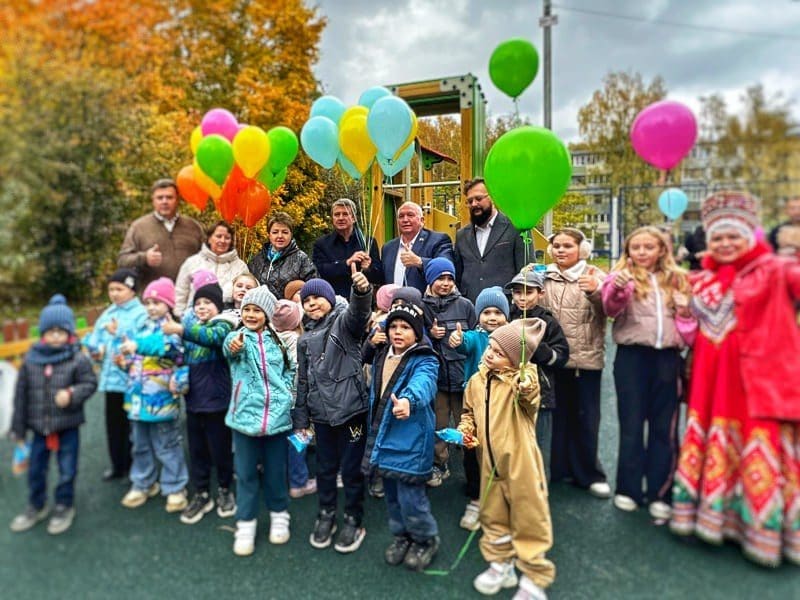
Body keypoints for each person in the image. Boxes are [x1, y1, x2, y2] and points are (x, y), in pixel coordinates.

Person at [670, 191, 800, 567]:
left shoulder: (774, 269)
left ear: (751, 235)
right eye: (718, 238)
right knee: (714, 439)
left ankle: (762, 533)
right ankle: (715, 520)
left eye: (734, 236)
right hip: (711, 387)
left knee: (760, 446)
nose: (726, 244)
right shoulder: (702, 279)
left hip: (757, 385)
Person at [458, 318, 555, 599]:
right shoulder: (476, 381)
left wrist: (525, 385)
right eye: (491, 348)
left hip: (520, 464)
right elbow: (468, 412)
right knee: (493, 514)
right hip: (488, 463)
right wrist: (466, 429)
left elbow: (530, 398)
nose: (490, 354)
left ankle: (534, 580)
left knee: (529, 518)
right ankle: (501, 563)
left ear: (515, 361)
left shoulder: (523, 380)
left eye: (500, 353)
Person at [601, 226, 694, 519]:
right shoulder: (620, 277)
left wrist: (685, 313)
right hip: (632, 358)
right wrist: (619, 288)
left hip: (668, 359)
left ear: (661, 250)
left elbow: (690, 331)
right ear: (628, 251)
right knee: (631, 424)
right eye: (635, 247)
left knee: (663, 429)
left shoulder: (678, 280)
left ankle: (660, 492)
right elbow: (610, 310)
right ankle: (628, 489)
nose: (641, 252)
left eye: (648, 247)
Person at [293, 266, 373, 553]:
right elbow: (302, 380)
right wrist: (301, 417)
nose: (311, 303)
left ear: (329, 299)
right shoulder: (303, 341)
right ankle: (326, 513)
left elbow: (359, 313)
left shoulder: (343, 324)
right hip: (322, 417)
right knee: (325, 469)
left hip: (352, 413)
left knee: (351, 470)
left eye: (317, 297)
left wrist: (361, 290)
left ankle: (354, 518)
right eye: (306, 300)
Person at [362, 301, 441, 571]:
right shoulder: (382, 353)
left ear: (417, 333)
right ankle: (402, 536)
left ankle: (425, 539)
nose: (397, 331)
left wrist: (408, 400)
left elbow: (424, 383)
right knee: (392, 497)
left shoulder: (425, 358)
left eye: (405, 327)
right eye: (393, 326)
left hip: (411, 439)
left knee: (412, 498)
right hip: (384, 437)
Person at [9, 295, 97, 535]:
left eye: (61, 331)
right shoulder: (31, 360)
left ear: (69, 333)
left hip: (66, 425)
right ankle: (36, 505)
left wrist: (72, 393)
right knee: (36, 469)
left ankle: (63, 505)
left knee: (67, 468)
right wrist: (18, 430)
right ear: (43, 333)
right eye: (51, 331)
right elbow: (21, 396)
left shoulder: (77, 358)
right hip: (39, 428)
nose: (56, 336)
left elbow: (90, 383)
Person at [223, 286, 295, 556]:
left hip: (277, 419)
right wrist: (233, 346)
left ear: (267, 314)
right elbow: (230, 350)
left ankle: (279, 514)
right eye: (247, 310)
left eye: (257, 310)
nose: (251, 314)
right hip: (244, 418)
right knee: (246, 473)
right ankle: (246, 522)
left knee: (277, 471)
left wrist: (287, 394)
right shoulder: (237, 337)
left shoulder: (278, 341)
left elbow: (290, 369)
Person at [540, 228, 611, 499]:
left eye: (567, 246)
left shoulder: (594, 276)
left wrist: (595, 293)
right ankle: (558, 469)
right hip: (553, 360)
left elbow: (609, 310)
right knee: (555, 419)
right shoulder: (543, 276)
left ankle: (590, 474)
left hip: (585, 360)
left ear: (582, 250)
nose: (560, 250)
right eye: (556, 246)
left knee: (585, 418)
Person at [161, 281, 236, 525]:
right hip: (193, 402)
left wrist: (180, 330)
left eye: (208, 303)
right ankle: (202, 492)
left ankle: (225, 489)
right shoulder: (188, 330)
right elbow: (178, 356)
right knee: (197, 451)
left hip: (217, 403)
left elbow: (212, 338)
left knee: (221, 449)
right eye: (198, 304)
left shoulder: (223, 325)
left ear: (218, 307)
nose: (202, 307)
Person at [117, 277, 190, 513]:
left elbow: (172, 352)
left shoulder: (172, 328)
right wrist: (123, 361)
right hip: (137, 400)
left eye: (156, 302)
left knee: (167, 443)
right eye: (147, 302)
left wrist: (137, 346)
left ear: (168, 304)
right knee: (139, 444)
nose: (150, 307)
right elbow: (133, 359)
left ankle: (175, 486)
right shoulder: (140, 327)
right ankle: (143, 483)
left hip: (161, 401)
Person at [447, 286, 509, 531]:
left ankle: (500, 497)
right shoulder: (475, 336)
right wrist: (458, 340)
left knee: (500, 450)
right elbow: (464, 344)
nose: (492, 317)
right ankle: (475, 499)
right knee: (472, 450)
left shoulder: (513, 338)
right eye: (486, 312)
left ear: (506, 314)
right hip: (474, 403)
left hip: (501, 403)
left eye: (497, 312)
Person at [82, 268, 147, 481]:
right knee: (114, 426)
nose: (114, 294)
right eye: (111, 289)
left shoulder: (142, 314)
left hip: (133, 381)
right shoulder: (108, 314)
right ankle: (118, 465)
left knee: (135, 426)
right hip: (111, 381)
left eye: (119, 289)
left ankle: (138, 466)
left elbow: (140, 344)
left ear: (132, 290)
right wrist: (95, 350)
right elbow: (96, 340)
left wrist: (117, 334)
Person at [505, 270, 570, 482]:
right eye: (517, 293)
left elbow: (561, 356)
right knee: (511, 443)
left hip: (541, 394)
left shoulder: (548, 322)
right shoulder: (507, 317)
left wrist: (538, 349)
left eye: (528, 292)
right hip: (509, 390)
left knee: (538, 444)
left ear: (540, 293)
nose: (522, 298)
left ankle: (539, 489)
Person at [421, 257, 477, 487]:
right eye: (440, 278)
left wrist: (464, 338)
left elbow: (476, 335)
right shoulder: (423, 306)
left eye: (449, 278)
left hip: (463, 377)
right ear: (430, 279)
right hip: (439, 379)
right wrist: (431, 336)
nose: (445, 283)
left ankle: (471, 467)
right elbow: (417, 338)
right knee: (439, 424)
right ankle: (439, 463)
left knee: (467, 423)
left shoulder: (465, 305)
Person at [118, 178, 205, 291]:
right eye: (160, 198)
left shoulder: (193, 226)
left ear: (177, 199)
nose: (164, 201)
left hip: (190, 296)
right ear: (153, 200)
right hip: (154, 300)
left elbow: (207, 258)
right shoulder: (139, 227)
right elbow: (123, 260)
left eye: (169, 197)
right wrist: (144, 258)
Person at [454, 178, 527, 303]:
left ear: (492, 197)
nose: (473, 204)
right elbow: (458, 275)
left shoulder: (516, 228)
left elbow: (525, 271)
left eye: (478, 199)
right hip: (471, 307)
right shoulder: (461, 235)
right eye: (469, 201)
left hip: (506, 307)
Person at [272, 299, 316, 499]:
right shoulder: (299, 340)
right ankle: (299, 482)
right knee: (300, 438)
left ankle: (280, 480)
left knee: (280, 441)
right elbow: (301, 373)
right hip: (297, 401)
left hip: (276, 401)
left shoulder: (269, 338)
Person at [173, 221, 249, 317]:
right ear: (209, 239)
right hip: (194, 319)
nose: (222, 240)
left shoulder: (240, 266)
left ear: (231, 241)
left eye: (227, 238)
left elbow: (249, 295)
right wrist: (180, 317)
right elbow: (181, 292)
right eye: (218, 236)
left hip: (228, 321)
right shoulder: (192, 262)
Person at [312, 198, 383, 297]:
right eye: (337, 214)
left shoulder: (368, 242)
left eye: (345, 214)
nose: (341, 218)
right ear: (332, 218)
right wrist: (347, 263)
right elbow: (319, 272)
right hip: (332, 301)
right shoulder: (321, 244)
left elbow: (379, 276)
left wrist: (368, 269)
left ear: (353, 218)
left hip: (362, 301)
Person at [381, 201, 454, 294]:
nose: (405, 220)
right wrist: (368, 268)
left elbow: (446, 267)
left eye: (410, 215)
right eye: (401, 216)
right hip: (394, 306)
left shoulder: (438, 240)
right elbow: (382, 279)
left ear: (422, 221)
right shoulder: (388, 247)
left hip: (425, 305)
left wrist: (419, 262)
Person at [248, 211, 317, 299]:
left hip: (288, 311)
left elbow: (315, 287)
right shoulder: (257, 260)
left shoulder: (301, 259)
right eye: (275, 232)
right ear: (269, 235)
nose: (280, 236)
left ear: (291, 235)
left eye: (285, 232)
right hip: (260, 310)